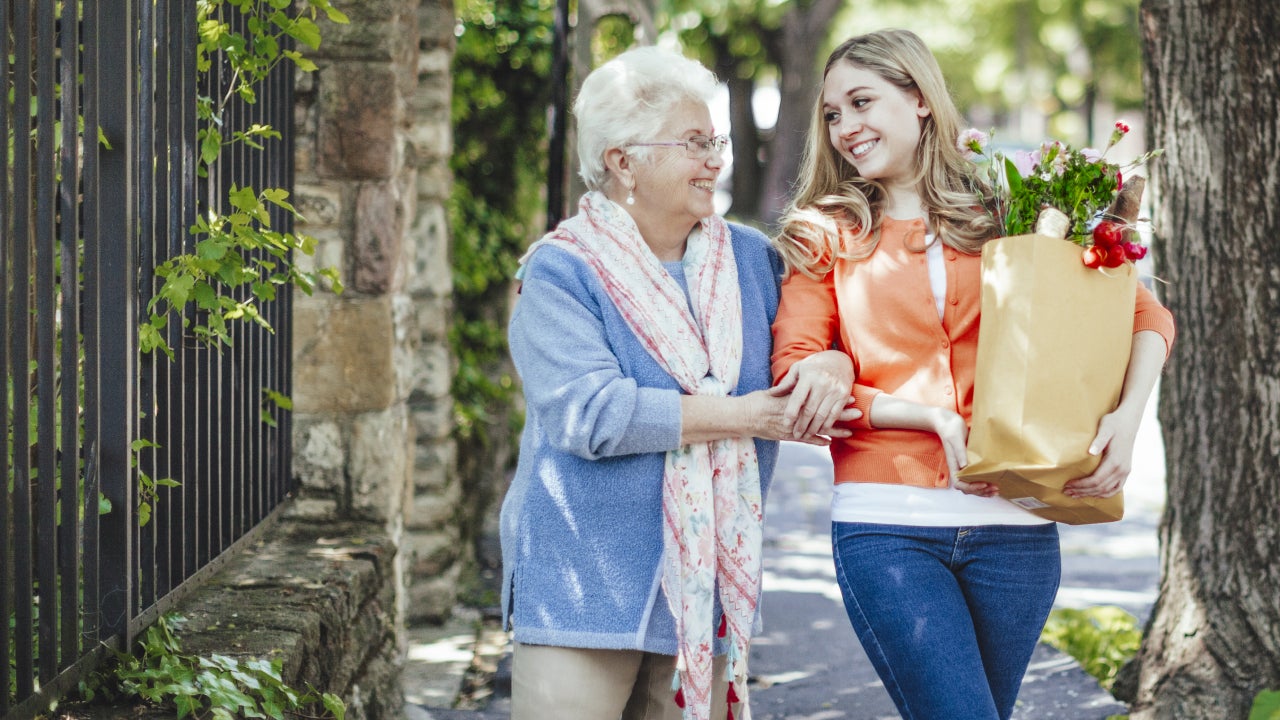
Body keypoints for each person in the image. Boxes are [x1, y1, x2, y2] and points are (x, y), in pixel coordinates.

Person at [769, 29, 1176, 720]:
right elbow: (797, 378)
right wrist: (927, 417)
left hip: (1018, 526)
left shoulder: (1010, 210)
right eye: (833, 114)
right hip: (886, 524)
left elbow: (1142, 314)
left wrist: (1127, 421)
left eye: (862, 102)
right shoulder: (825, 233)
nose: (845, 127)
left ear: (920, 99)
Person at [500, 45, 857, 720]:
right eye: (696, 143)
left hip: (706, 586)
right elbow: (590, 414)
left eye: (715, 140)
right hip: (585, 584)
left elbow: (820, 341)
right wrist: (747, 416)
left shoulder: (753, 261)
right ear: (623, 160)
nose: (715, 159)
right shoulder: (561, 272)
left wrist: (830, 361)